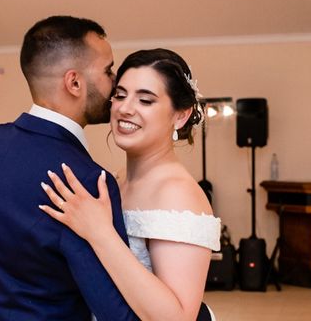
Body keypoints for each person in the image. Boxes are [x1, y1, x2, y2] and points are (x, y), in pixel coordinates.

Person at [0, 15, 139, 320]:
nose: (115, 81)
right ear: (74, 82)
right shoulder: (88, 180)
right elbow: (114, 311)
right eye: (108, 70)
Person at [40, 48, 221, 321]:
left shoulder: (177, 194)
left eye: (146, 100)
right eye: (120, 95)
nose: (125, 108)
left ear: (181, 115)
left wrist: (100, 233)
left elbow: (178, 317)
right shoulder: (116, 179)